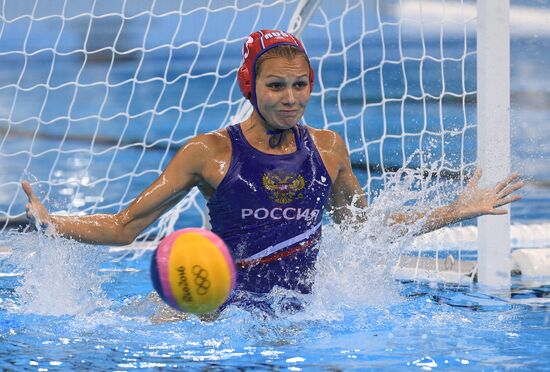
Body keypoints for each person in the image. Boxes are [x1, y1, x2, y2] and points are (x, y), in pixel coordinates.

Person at [21, 29, 523, 301]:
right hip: (216, 312)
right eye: (276, 86)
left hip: (298, 315)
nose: (290, 98)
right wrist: (52, 223)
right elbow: (123, 226)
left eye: (300, 84)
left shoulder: (329, 149)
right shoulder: (209, 153)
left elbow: (365, 228)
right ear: (250, 87)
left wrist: (459, 208)